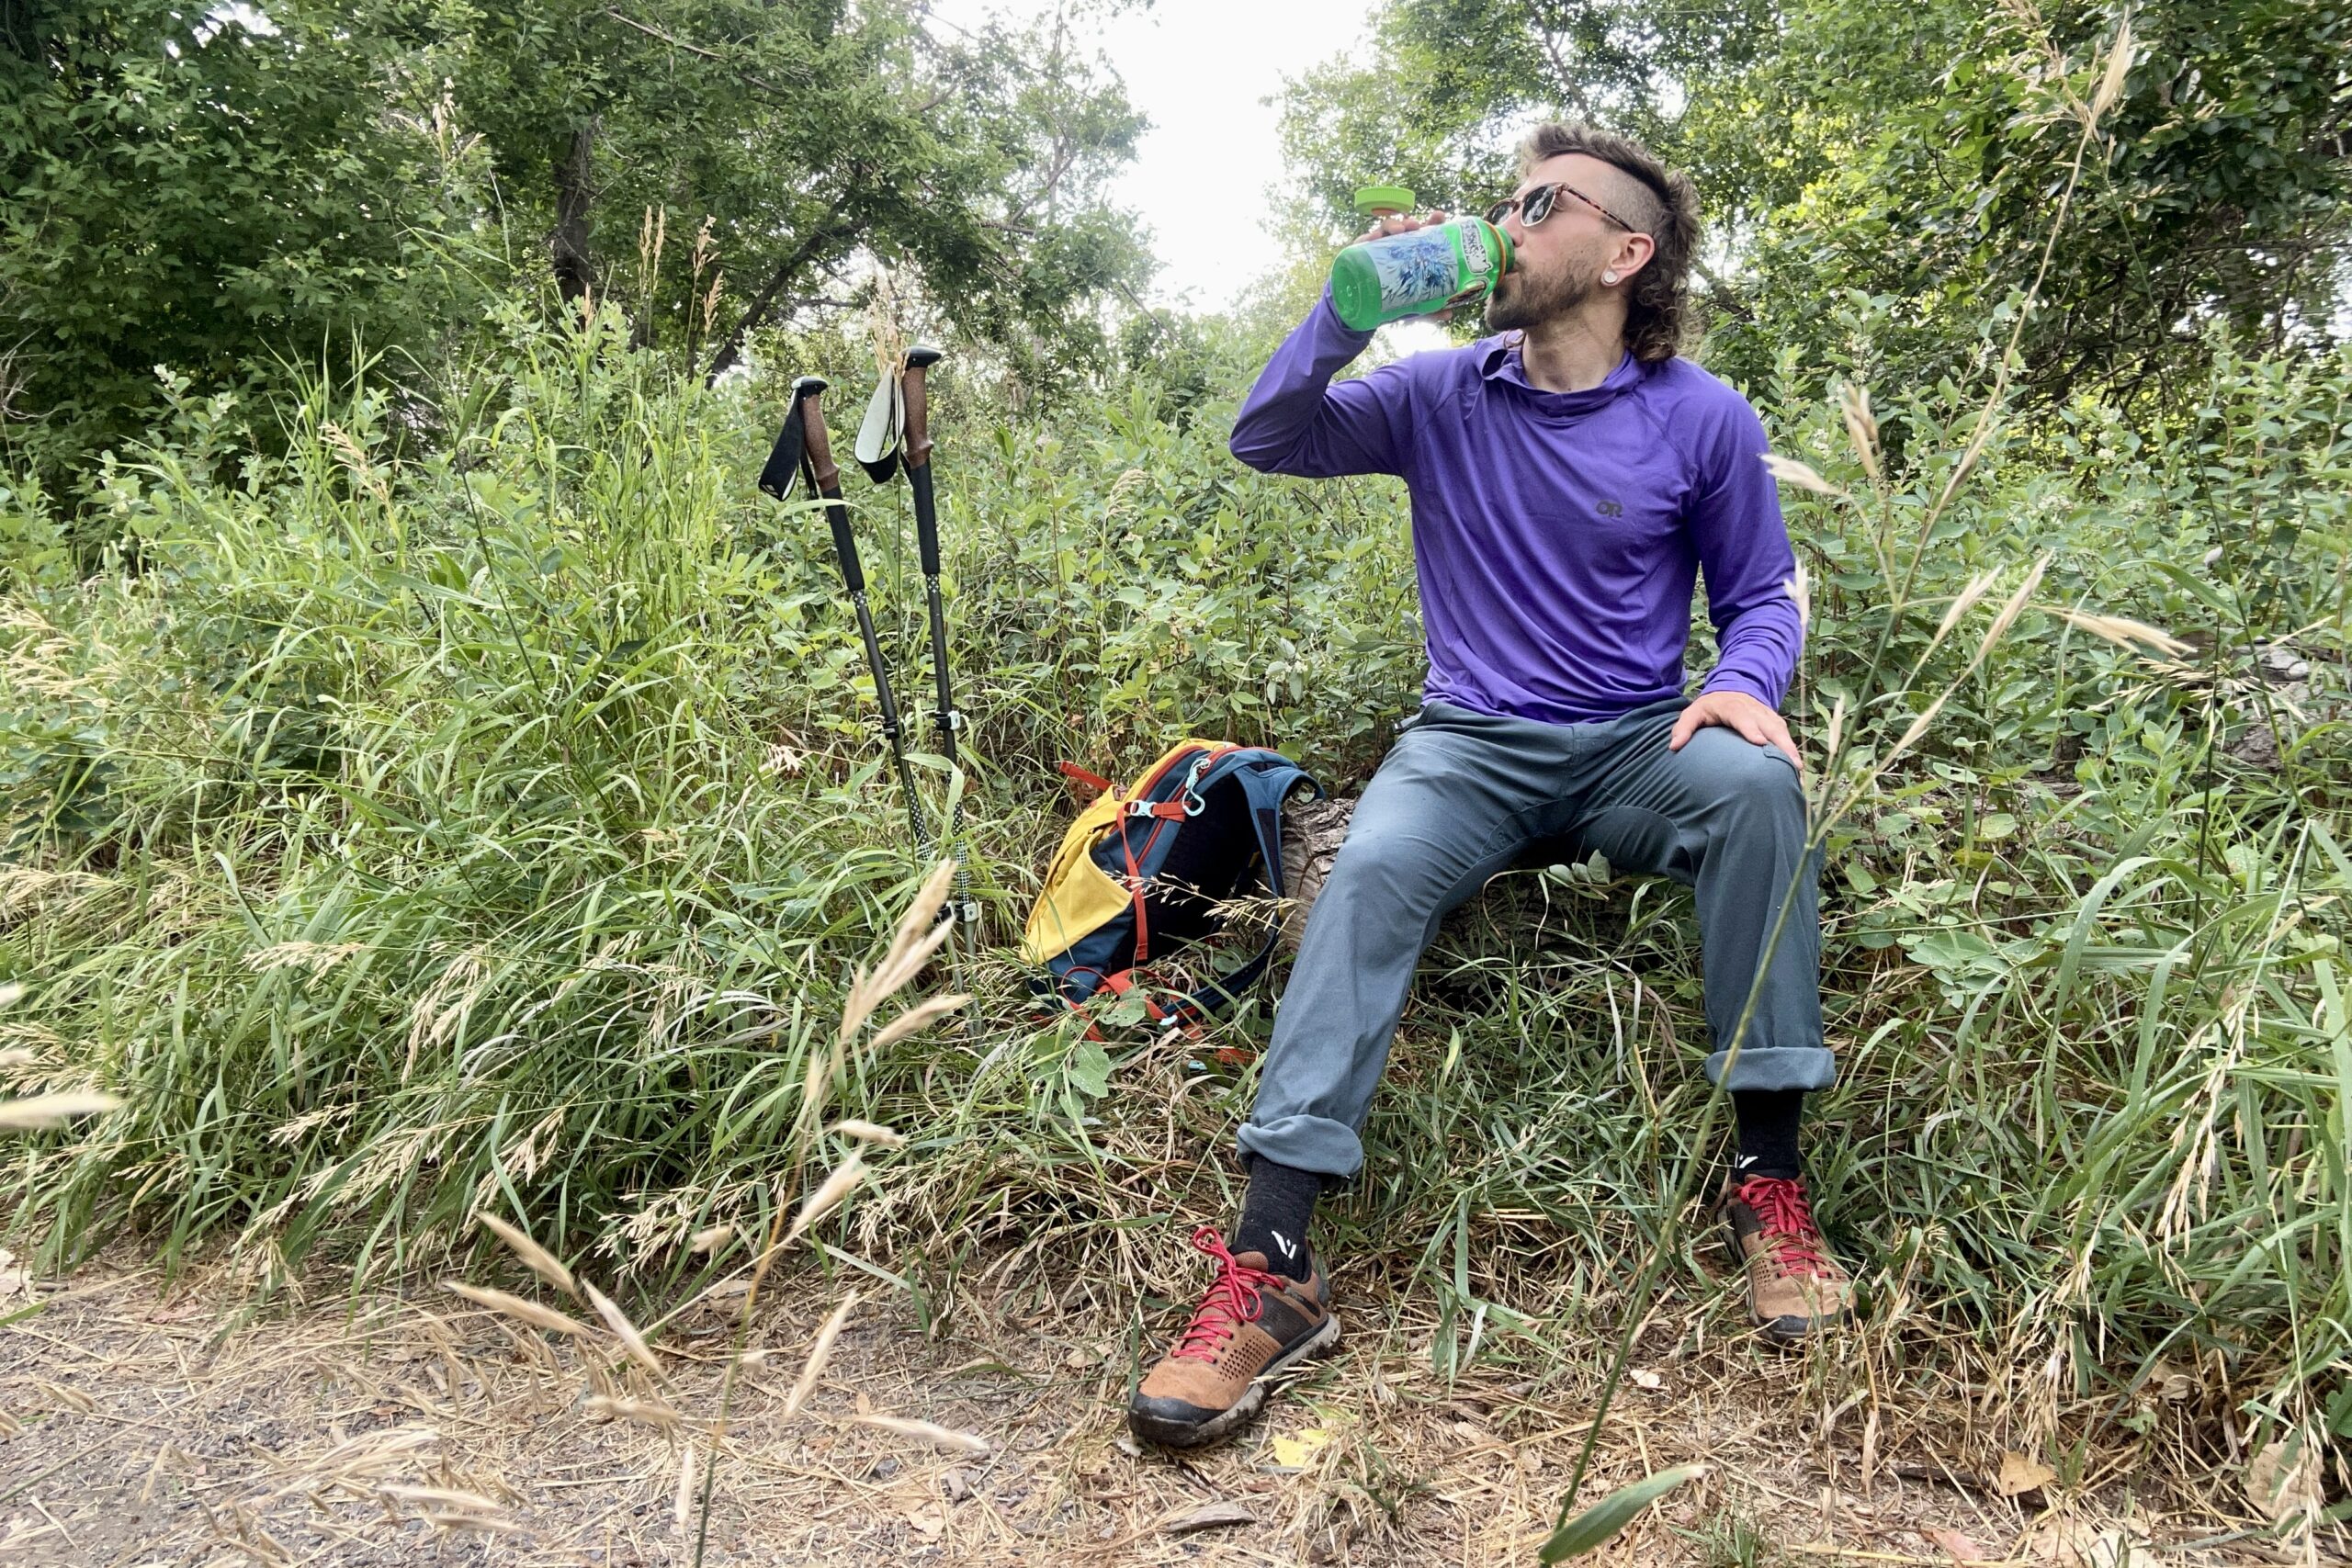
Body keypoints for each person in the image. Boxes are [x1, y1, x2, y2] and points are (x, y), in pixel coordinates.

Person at [1127, 122, 1851, 1451]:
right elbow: (1267, 436)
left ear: (1626, 253)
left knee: (1757, 792)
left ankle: (1770, 1181)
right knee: (1377, 867)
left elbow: (1761, 593)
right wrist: (1348, 304)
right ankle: (1273, 1260)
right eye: (1508, 200)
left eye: (1541, 203)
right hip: (1470, 747)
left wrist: (1751, 677)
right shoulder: (1442, 390)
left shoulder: (1702, 415)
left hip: (1641, 742)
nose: (1507, 223)